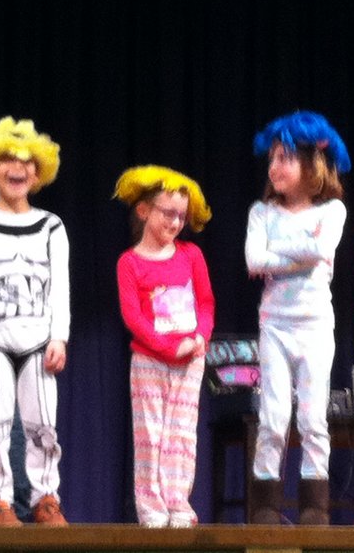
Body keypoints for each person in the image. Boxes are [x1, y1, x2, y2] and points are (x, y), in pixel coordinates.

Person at [0, 116, 70, 526]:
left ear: (38, 173)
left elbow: (60, 287)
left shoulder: (51, 226)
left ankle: (45, 498)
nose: (17, 168)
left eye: (26, 161)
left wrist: (59, 337)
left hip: (39, 342)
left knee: (43, 425)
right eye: (6, 159)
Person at [243, 111, 350, 525]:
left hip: (315, 326)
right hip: (274, 325)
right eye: (271, 159)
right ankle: (266, 505)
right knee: (272, 417)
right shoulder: (261, 212)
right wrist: (301, 251)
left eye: (284, 158)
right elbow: (254, 260)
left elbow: (322, 251)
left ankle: (313, 506)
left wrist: (278, 252)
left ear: (312, 163)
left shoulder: (332, 210)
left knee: (312, 418)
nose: (274, 167)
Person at [114, 165, 215, 528]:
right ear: (144, 210)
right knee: (150, 436)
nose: (175, 222)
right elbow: (133, 317)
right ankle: (152, 508)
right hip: (150, 361)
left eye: (181, 216)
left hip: (190, 361)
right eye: (167, 213)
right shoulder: (129, 262)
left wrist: (200, 337)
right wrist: (165, 348)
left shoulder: (191, 255)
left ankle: (178, 504)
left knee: (181, 436)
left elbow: (206, 303)